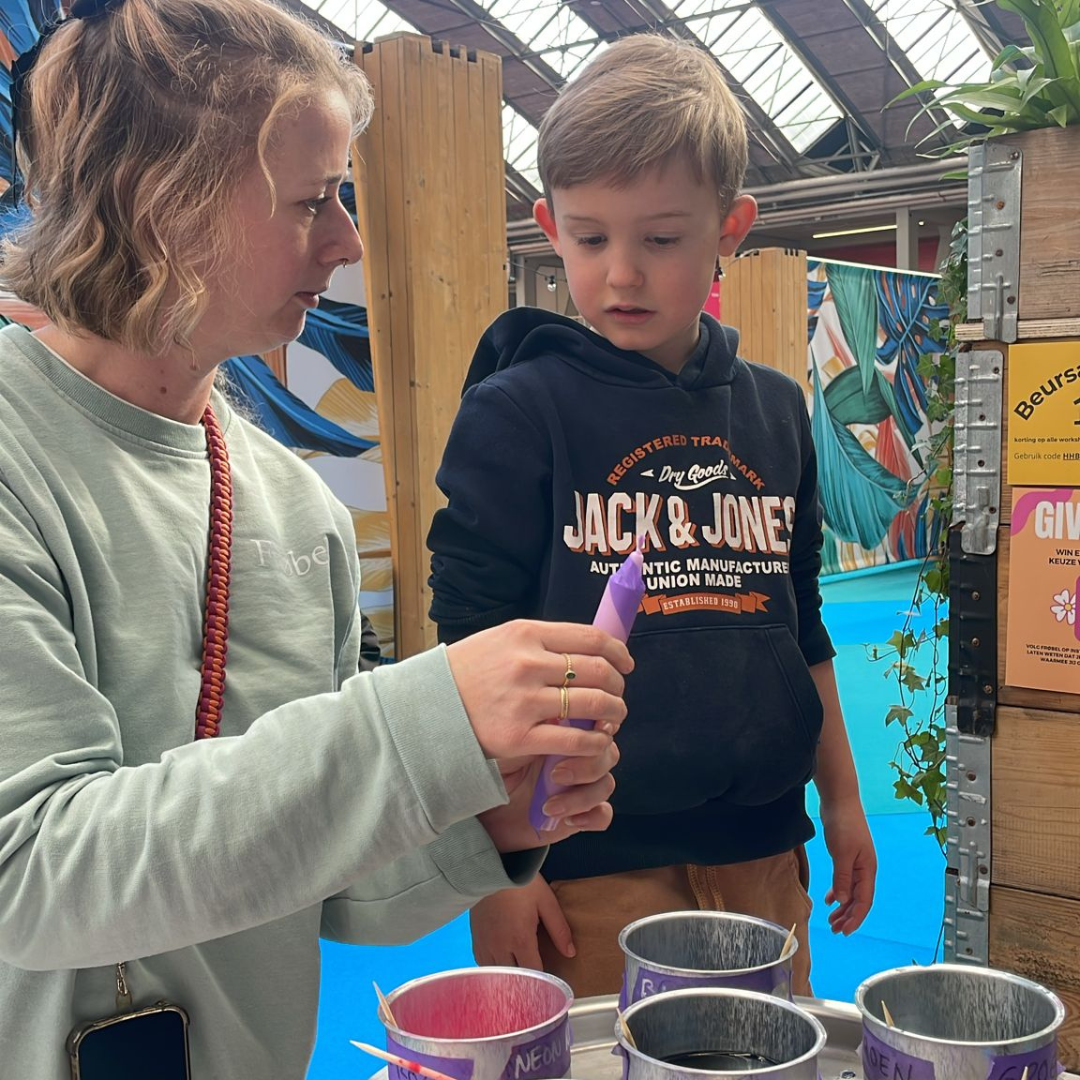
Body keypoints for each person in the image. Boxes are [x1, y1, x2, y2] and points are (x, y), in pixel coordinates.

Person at [0, 2, 634, 1077]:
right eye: (313, 201)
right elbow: (31, 875)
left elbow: (320, 881)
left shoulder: (293, 509)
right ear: (167, 206)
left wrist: (487, 819)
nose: (345, 242)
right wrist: (420, 721)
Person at [428, 32, 877, 999]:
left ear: (731, 225)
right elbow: (463, 653)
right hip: (584, 865)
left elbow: (802, 621)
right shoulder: (518, 412)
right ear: (550, 226)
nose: (621, 273)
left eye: (661, 239)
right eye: (591, 238)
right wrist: (496, 866)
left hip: (764, 854)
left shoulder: (774, 409)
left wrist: (841, 798)